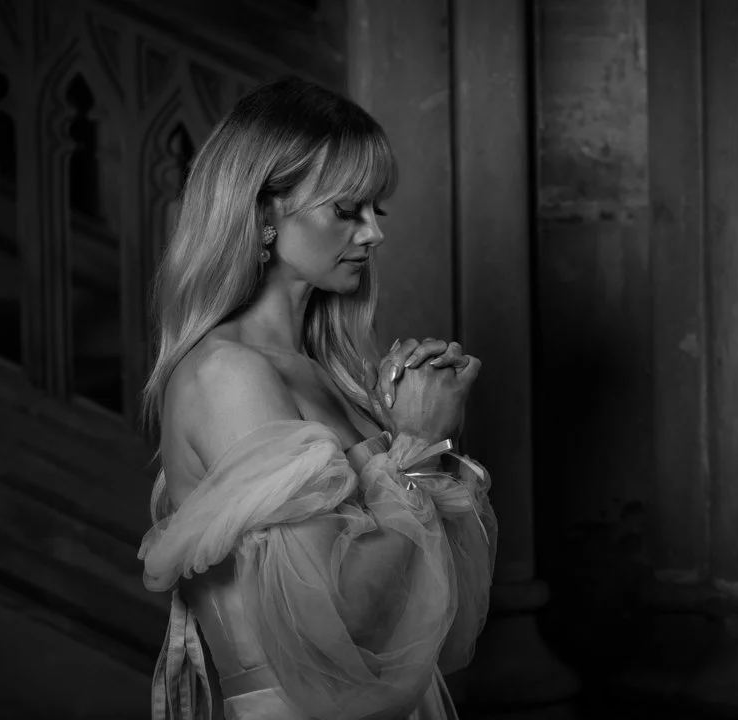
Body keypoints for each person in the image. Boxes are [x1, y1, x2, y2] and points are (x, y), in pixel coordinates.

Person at [137, 76, 497, 720]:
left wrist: (417, 424)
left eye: (375, 210)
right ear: (263, 212)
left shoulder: (329, 373)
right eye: (346, 210)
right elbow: (339, 617)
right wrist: (415, 448)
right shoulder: (228, 374)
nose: (373, 234)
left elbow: (420, 619)